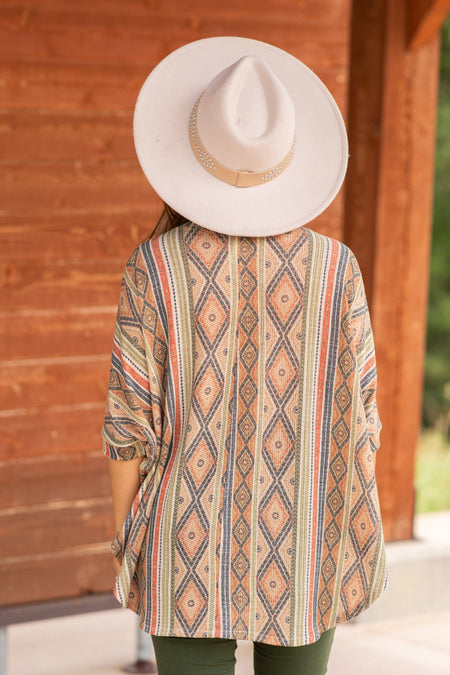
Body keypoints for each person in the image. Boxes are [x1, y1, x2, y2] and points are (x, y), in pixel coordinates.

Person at [101, 36, 389, 675]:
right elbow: (364, 426)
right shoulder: (336, 271)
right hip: (308, 541)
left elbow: (128, 430)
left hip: (186, 543)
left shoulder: (155, 267)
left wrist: (128, 540)